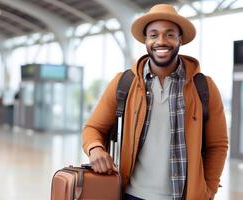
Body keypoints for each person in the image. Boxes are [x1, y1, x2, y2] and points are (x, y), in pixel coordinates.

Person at [82, 4, 228, 200]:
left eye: (169, 34)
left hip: (183, 196)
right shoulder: (123, 83)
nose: (161, 41)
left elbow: (217, 145)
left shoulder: (204, 87)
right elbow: (93, 128)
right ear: (146, 40)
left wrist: (207, 191)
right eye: (153, 35)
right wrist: (95, 149)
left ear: (180, 40)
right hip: (131, 195)